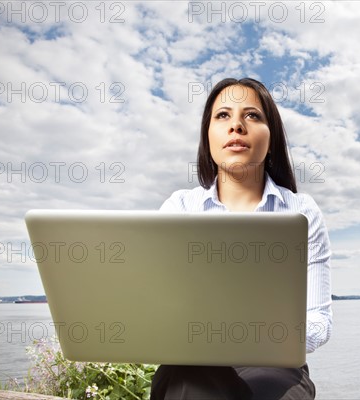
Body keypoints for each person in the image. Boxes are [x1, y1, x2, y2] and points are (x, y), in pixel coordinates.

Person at [150, 78, 332, 400]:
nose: (236, 125)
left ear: (271, 136)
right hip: (192, 360)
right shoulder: (179, 207)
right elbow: (155, 300)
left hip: (275, 364)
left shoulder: (301, 212)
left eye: (252, 115)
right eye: (222, 116)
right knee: (190, 383)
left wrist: (271, 338)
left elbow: (319, 318)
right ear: (207, 137)